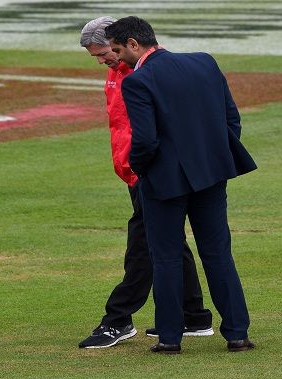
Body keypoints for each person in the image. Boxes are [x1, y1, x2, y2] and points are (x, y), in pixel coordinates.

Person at [105, 16, 257, 354]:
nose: (116, 59)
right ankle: (237, 333)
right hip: (211, 177)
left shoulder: (138, 81)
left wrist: (143, 172)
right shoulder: (204, 62)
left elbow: (144, 141)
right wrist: (213, 159)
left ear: (134, 43)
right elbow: (231, 119)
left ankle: (170, 338)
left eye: (117, 50)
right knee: (218, 254)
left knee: (167, 258)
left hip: (164, 183)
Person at [77, 17, 213, 349]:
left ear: (121, 42)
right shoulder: (117, 72)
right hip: (133, 171)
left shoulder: (144, 74)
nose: (102, 60)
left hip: (147, 172)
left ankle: (118, 319)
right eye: (96, 56)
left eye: (104, 52)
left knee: (143, 245)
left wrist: (139, 168)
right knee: (169, 242)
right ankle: (194, 316)